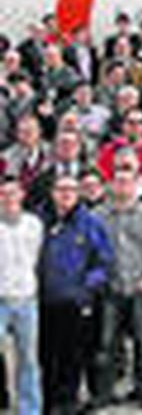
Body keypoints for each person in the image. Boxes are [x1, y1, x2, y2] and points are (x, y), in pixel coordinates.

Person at [38, 174, 114, 415]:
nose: (66, 194)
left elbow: (104, 262)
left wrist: (86, 287)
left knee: (74, 355)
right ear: (52, 193)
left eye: (71, 189)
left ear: (79, 193)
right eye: (61, 189)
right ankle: (49, 400)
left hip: (77, 301)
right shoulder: (40, 221)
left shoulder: (90, 222)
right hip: (45, 300)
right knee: (47, 355)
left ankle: (69, 401)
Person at [94, 165, 142, 409]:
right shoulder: (98, 215)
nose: (122, 186)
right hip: (110, 289)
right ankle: (104, 392)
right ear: (111, 185)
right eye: (118, 182)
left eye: (127, 182)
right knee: (107, 344)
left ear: (136, 185)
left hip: (138, 289)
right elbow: (92, 252)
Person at [0, 178, 43, 415]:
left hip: (27, 299)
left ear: (22, 195)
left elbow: (35, 257)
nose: (8, 198)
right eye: (3, 193)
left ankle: (30, 409)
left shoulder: (34, 224)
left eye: (12, 193)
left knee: (28, 359)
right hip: (0, 299)